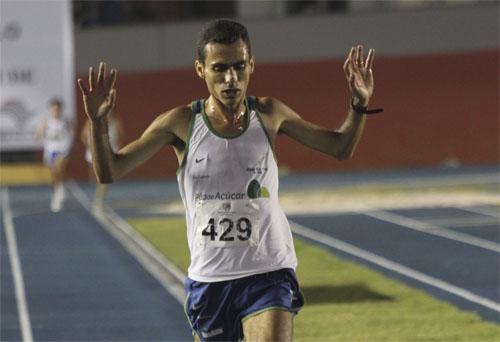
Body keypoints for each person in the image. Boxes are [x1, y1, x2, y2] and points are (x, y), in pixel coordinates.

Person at [77, 19, 380, 342]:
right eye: (219, 69)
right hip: (211, 281)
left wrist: (359, 104)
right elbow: (109, 170)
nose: (230, 78)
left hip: (269, 273)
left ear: (251, 65)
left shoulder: (269, 114)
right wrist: (98, 122)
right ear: (200, 70)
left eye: (238, 66)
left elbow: (339, 147)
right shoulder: (180, 123)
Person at [80, 110, 123, 211]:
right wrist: (90, 147)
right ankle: (99, 193)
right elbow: (83, 136)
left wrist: (116, 149)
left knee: (105, 176)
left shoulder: (116, 122)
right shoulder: (91, 122)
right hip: (94, 152)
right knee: (94, 176)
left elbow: (121, 136)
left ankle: (98, 200)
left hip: (109, 152)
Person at [37, 98, 74, 212]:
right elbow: (39, 134)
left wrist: (70, 145)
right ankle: (57, 191)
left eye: (58, 109)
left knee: (59, 167)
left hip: (63, 149)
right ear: (51, 110)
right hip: (50, 150)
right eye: (54, 109)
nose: (56, 111)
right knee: (54, 174)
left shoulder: (66, 121)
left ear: (61, 110)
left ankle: (60, 191)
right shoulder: (46, 121)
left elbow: (72, 133)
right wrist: (41, 133)